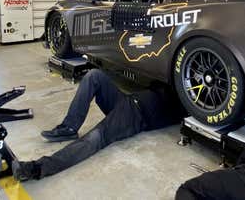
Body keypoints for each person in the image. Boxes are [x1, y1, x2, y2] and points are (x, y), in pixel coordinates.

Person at [12, 69, 185, 181]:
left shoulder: (188, 104)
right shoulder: (178, 77)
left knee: (95, 137)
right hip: (126, 99)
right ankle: (69, 127)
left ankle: (37, 168)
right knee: (94, 75)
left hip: (134, 117)